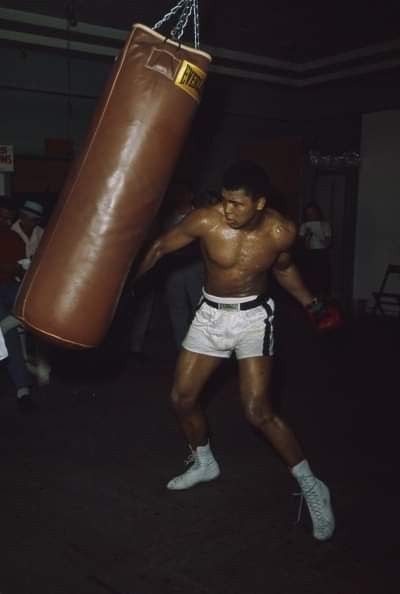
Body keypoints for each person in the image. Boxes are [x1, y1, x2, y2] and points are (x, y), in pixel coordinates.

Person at [136, 161, 336, 541]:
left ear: (260, 203)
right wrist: (126, 290)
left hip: (253, 320)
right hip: (209, 315)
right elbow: (161, 246)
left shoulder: (281, 232)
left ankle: (313, 485)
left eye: (237, 204)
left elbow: (284, 269)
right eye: (225, 201)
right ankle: (205, 461)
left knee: (258, 412)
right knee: (182, 399)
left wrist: (311, 302)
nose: (227, 210)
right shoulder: (206, 221)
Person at [299, 202, 332, 298]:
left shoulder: (325, 225)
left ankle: (325, 305)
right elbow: (304, 246)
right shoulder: (304, 226)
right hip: (309, 255)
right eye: (308, 214)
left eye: (313, 212)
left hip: (322, 255)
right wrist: (308, 235)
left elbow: (328, 243)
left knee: (323, 282)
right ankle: (313, 307)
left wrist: (317, 233)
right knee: (311, 283)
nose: (311, 215)